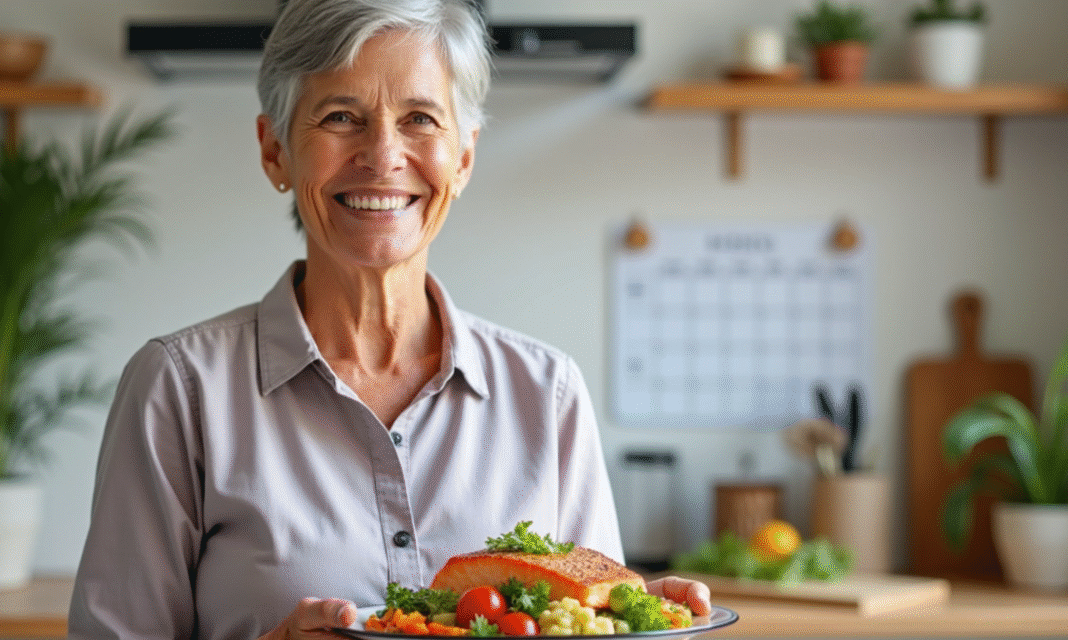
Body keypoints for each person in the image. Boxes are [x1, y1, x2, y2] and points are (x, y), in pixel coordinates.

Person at [67, 0, 709, 638]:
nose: (382, 156)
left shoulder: (548, 392)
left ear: (463, 158)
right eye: (341, 116)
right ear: (275, 151)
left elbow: (592, 620)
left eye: (420, 118)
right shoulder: (180, 388)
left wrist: (646, 620)